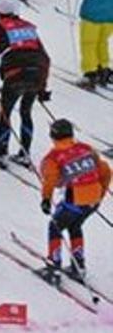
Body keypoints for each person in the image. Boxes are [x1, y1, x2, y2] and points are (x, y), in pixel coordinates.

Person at [37, 118, 110, 284]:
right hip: (93, 200)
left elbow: (51, 180)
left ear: (53, 136)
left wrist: (46, 199)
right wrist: (100, 193)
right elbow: (105, 170)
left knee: (55, 226)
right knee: (75, 225)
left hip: (75, 200)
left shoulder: (53, 157)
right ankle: (79, 265)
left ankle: (53, 266)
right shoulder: (86, 149)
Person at [0, 0, 51, 167]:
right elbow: (45, 57)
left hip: (14, 75)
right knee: (26, 112)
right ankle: (25, 153)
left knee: (5, 113)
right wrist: (42, 87)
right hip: (36, 73)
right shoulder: (28, 27)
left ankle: (2, 152)